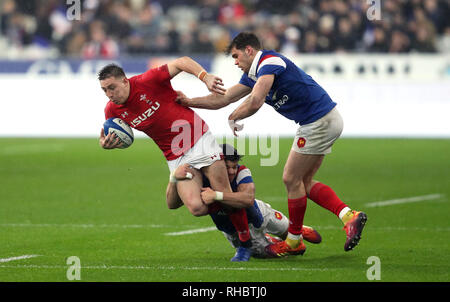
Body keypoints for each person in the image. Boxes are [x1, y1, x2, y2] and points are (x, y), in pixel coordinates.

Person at [176, 32, 367, 257]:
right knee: (303, 182)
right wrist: (189, 101)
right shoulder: (254, 74)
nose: (235, 62)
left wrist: (234, 117)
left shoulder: (270, 62)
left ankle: (294, 240)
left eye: (237, 56)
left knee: (290, 178)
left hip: (317, 121)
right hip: (325, 120)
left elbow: (256, 101)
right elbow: (224, 98)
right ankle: (348, 216)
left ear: (249, 50)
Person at [97, 57, 253, 261]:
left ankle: (245, 245)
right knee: (197, 207)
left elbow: (181, 62)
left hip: (199, 139)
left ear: (125, 81)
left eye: (112, 88)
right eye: (104, 90)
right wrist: (105, 144)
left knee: (226, 196)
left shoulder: (147, 80)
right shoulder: (111, 110)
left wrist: (205, 77)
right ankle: (231, 204)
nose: (109, 95)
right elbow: (106, 134)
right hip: (175, 156)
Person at [166, 144, 322, 258]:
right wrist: (173, 179)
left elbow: (248, 199)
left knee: (286, 229)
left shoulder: (242, 171)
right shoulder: (201, 180)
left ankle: (298, 229)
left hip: (259, 213)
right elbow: (172, 204)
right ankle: (272, 241)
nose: (232, 171)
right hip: (232, 230)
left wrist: (217, 196)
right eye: (227, 167)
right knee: (266, 253)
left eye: (234, 166)